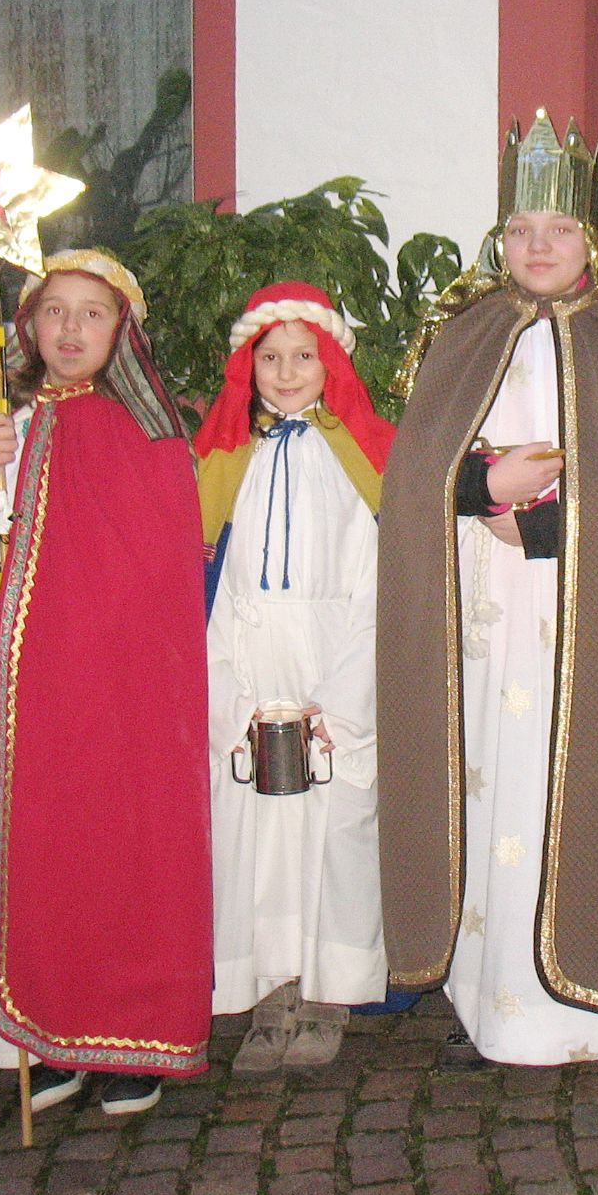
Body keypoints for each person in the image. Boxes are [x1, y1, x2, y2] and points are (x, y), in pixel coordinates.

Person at [377, 110, 598, 1067]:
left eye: (557, 231)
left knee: (560, 778)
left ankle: (573, 1006)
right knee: (483, 775)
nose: (539, 247)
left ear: (589, 235)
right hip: (477, 610)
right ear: (501, 237)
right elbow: (416, 467)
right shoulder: (466, 331)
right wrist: (480, 487)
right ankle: (485, 992)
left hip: (576, 613)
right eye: (522, 231)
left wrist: (545, 523)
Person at [0, 249, 211, 1117]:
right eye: (54, 311)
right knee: (25, 846)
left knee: (108, 848)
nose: (70, 330)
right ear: (27, 324)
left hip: (110, 694)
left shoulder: (145, 435)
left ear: (121, 331)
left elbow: (155, 584)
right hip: (9, 688)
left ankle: (126, 1036)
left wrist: (101, 658)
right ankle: (47, 1034)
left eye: (92, 313)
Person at [195, 282, 393, 1073]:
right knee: (257, 841)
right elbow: (208, 586)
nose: (285, 371)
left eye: (302, 356)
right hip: (250, 664)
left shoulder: (356, 458)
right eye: (269, 357)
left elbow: (372, 580)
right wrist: (230, 699)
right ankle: (271, 996)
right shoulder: (228, 459)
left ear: (330, 361)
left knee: (333, 833)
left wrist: (339, 704)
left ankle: (329, 994)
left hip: (332, 664)